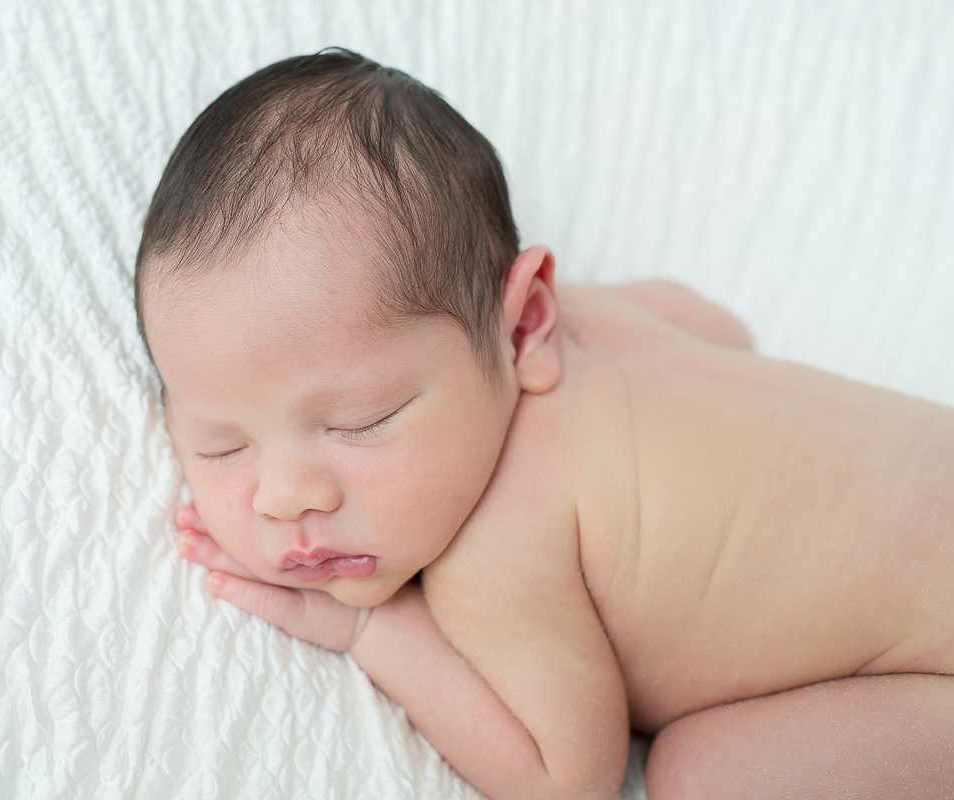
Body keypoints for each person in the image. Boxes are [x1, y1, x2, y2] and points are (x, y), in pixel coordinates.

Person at [134, 48, 954, 799]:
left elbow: (570, 781)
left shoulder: (496, 557)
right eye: (222, 444)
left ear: (524, 324)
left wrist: (372, 628)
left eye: (360, 422)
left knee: (703, 777)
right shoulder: (587, 325)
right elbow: (715, 325)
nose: (286, 498)